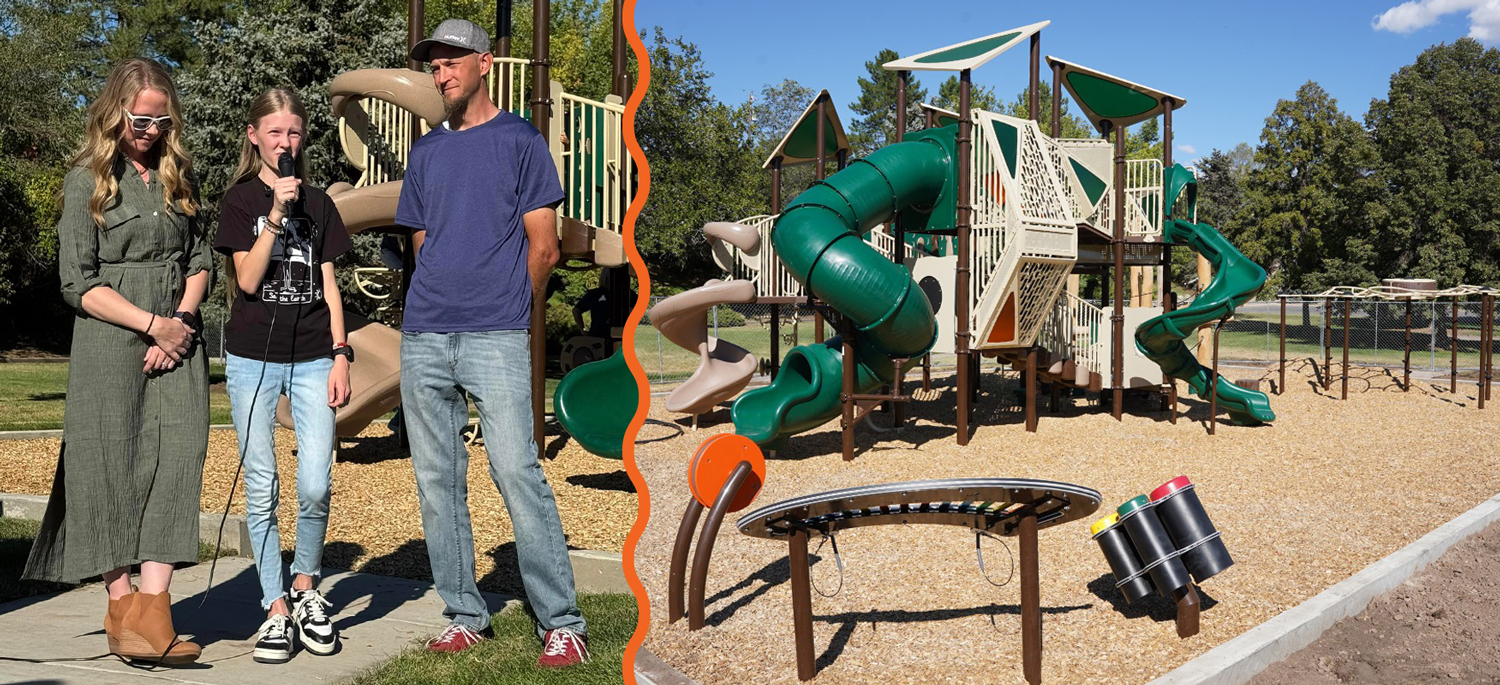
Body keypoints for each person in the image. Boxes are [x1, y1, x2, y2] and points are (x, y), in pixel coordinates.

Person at [396, 18, 588, 667]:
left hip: (496, 332)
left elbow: (546, 244)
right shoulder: (424, 152)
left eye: (451, 62)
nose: (440, 73)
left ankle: (561, 620)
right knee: (437, 480)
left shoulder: (521, 140)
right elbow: (420, 241)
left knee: (515, 467)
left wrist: (510, 305)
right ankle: (463, 611)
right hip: (424, 333)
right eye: (434, 65)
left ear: (483, 64)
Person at [23, 58, 212, 665]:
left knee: (178, 458)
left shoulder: (178, 175)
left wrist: (179, 323)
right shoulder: (88, 181)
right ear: (114, 111)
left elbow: (202, 256)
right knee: (107, 464)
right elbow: (77, 283)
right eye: (139, 118)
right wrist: (150, 324)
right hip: (110, 341)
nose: (150, 130)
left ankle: (155, 607)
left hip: (179, 340)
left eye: (161, 119)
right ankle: (122, 606)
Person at [213, 88, 353, 664]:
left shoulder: (319, 204)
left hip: (317, 353)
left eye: (293, 133)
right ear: (255, 137)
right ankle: (274, 608)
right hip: (252, 358)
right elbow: (246, 280)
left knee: (316, 480)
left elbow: (328, 281)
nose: (285, 142)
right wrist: (274, 213)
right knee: (263, 486)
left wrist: (342, 352)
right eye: (274, 133)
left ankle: (306, 589)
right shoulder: (240, 201)